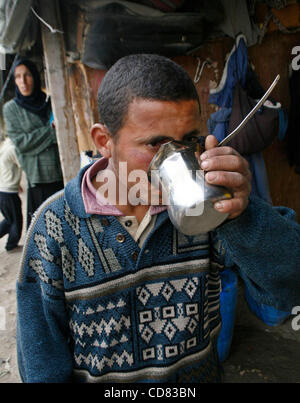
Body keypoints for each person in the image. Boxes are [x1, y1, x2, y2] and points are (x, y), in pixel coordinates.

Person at [16, 54, 300, 383]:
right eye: (156, 144)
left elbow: (290, 287)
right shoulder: (54, 230)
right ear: (103, 142)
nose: (179, 156)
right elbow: (41, 365)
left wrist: (243, 212)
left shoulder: (211, 213)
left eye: (189, 140)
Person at [2, 58, 64, 229]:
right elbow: (22, 143)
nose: (23, 81)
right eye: (18, 77)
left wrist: (39, 138)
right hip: (38, 179)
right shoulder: (11, 109)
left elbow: (64, 132)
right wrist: (52, 133)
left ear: (35, 77)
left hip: (62, 174)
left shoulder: (49, 102)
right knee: (42, 233)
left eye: (27, 75)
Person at [0, 136, 23, 252]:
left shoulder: (5, 147)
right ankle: (11, 245)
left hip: (4, 190)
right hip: (8, 191)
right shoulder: (13, 149)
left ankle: (11, 243)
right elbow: (22, 164)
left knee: (10, 219)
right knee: (15, 220)